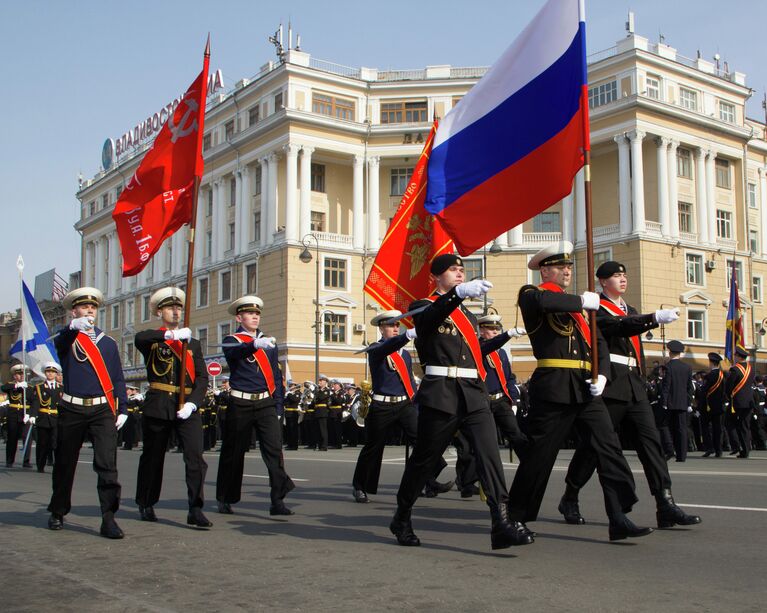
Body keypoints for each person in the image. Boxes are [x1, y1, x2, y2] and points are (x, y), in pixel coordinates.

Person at [389, 254, 532, 550]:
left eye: (461, 270)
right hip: (442, 393)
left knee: (489, 453)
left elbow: (477, 351)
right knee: (425, 460)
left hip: (472, 392)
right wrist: (456, 295)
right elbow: (428, 322)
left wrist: (505, 336)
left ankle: (501, 521)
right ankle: (402, 515)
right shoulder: (423, 306)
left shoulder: (467, 315)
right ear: (436, 277)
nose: (459, 274)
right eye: (452, 270)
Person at [507, 243, 648, 542]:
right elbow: (546, 302)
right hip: (556, 384)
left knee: (608, 447)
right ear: (545, 270)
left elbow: (600, 346)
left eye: (570, 267)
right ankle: (515, 518)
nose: (567, 271)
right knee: (539, 456)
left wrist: (602, 375)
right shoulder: (532, 294)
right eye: (561, 267)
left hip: (586, 386)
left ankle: (618, 516)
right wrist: (583, 300)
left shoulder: (581, 310)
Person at [558, 261, 700, 529]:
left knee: (652, 445)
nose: (622, 279)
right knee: (593, 448)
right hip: (610, 386)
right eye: (615, 276)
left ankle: (665, 503)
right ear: (602, 282)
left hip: (634, 386)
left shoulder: (629, 309)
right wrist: (652, 318)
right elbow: (617, 327)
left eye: (624, 275)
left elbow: (632, 335)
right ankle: (570, 495)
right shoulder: (595, 308)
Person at [47, 287, 127, 539]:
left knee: (107, 464)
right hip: (72, 408)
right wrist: (72, 328)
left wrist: (122, 407)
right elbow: (59, 343)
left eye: (93, 307)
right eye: (84, 307)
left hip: (102, 409)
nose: (90, 310)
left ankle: (108, 517)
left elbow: (117, 378)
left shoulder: (108, 342)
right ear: (75, 311)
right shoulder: (67, 338)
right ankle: (58, 510)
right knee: (65, 462)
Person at [352, 310, 451, 504]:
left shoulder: (404, 354)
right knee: (373, 447)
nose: (396, 328)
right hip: (382, 405)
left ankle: (428, 480)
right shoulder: (375, 348)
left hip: (405, 404)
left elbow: (409, 382)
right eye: (391, 325)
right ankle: (360, 486)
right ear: (381, 328)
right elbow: (387, 349)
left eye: (398, 325)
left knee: (425, 442)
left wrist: (416, 402)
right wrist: (407, 336)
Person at [134, 287, 212, 528]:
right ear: (160, 312)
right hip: (159, 404)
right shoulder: (154, 340)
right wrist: (169, 337)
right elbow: (140, 338)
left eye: (179, 308)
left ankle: (195, 508)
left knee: (195, 458)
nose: (176, 312)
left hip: (186, 406)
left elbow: (201, 378)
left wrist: (193, 403)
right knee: (153, 457)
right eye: (170, 308)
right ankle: (146, 502)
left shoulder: (193, 344)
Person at [216, 295, 295, 515]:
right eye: (250, 313)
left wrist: (278, 406)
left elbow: (276, 377)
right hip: (240, 402)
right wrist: (253, 345)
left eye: (257, 313)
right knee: (234, 452)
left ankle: (277, 500)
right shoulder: (232, 339)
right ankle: (225, 497)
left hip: (265, 403)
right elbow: (234, 354)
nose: (255, 317)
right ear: (239, 317)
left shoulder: (268, 342)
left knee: (274, 450)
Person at [477, 315, 528, 459]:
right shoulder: (477, 347)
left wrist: (515, 399)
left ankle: (529, 467)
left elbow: (509, 377)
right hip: (484, 401)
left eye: (497, 329)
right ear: (481, 331)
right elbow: (488, 347)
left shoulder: (502, 352)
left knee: (516, 435)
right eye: (491, 329)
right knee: (486, 442)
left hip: (501, 400)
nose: (495, 332)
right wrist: (509, 334)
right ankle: (468, 479)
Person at [661, 340, 695, 462]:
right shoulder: (687, 367)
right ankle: (682, 455)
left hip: (670, 403)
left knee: (664, 426)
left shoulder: (668, 367)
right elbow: (689, 387)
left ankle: (670, 450)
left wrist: (664, 402)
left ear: (670, 353)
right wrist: (688, 402)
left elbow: (666, 386)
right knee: (681, 429)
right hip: (682, 403)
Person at [30, 362, 63, 473]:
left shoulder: (61, 388)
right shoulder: (39, 387)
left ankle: (57, 464)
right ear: (45, 373)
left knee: (56, 443)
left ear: (56, 374)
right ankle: (41, 465)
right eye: (48, 372)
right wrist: (33, 415)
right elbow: (35, 403)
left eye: (53, 372)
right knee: (42, 443)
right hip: (43, 418)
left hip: (56, 418)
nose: (50, 374)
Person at [724, 346, 755, 458]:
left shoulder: (735, 369)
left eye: (735, 355)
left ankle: (736, 445)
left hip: (737, 402)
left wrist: (727, 397)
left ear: (738, 356)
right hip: (749, 401)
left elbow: (729, 386)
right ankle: (746, 449)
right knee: (744, 425)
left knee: (729, 422)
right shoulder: (751, 368)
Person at [1, 364, 33, 468]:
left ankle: (26, 461)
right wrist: (16, 386)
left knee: (27, 438)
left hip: (25, 414)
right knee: (12, 438)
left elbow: (34, 401)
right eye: (19, 374)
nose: (21, 376)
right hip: (13, 414)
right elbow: (3, 388)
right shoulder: (11, 385)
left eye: (23, 374)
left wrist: (30, 415)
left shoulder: (30, 387)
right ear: (14, 376)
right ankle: (9, 461)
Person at [700, 352, 726, 457]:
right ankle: (718, 450)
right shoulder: (723, 375)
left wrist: (700, 406)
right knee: (718, 428)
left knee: (705, 427)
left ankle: (709, 448)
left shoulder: (709, 376)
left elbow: (704, 391)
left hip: (708, 406)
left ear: (711, 363)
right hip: (720, 406)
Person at [328, 379, 345, 449]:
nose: (334, 386)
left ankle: (338, 444)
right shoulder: (333, 393)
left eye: (335, 385)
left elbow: (339, 401)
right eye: (334, 385)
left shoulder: (340, 393)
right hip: (332, 412)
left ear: (339, 387)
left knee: (337, 429)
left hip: (337, 412)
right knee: (332, 429)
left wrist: (332, 395)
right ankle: (333, 443)